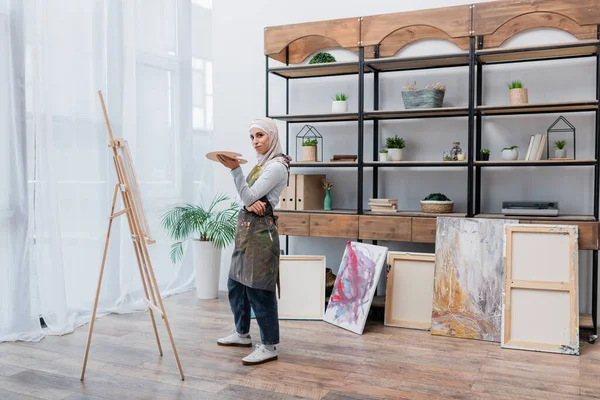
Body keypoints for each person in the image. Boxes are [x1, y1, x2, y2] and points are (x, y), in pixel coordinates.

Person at [215, 117, 291, 366]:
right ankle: (241, 333)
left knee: (259, 288)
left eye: (260, 136)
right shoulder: (262, 164)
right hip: (247, 231)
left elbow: (246, 193)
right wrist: (248, 200)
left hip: (260, 235)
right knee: (236, 283)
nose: (255, 141)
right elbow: (245, 198)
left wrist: (235, 170)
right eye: (252, 137)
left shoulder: (276, 166)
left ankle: (269, 345)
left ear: (272, 136)